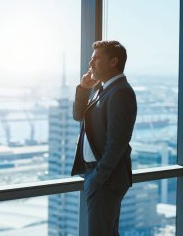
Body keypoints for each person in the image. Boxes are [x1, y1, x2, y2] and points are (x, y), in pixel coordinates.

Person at [71, 40, 137, 236]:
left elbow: (117, 142)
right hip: (99, 176)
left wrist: (98, 178)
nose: (91, 63)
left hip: (105, 179)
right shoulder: (103, 89)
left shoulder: (121, 92)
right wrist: (83, 88)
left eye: (96, 59)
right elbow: (77, 115)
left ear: (113, 62)